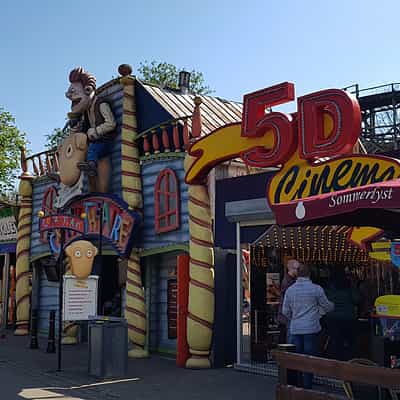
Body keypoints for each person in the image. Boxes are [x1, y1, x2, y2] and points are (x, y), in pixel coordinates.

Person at [283, 263, 334, 389]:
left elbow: (285, 311)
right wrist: (319, 313)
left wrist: (294, 318)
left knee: (297, 358)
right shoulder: (316, 289)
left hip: (296, 328)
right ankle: (307, 386)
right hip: (311, 327)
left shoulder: (290, 290)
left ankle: (298, 386)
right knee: (309, 358)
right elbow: (327, 306)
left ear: (297, 274)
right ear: (310, 274)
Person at [325, 267, 360, 361]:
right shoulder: (349, 287)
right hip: (348, 317)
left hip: (332, 317)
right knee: (350, 341)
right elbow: (357, 299)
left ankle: (336, 361)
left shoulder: (329, 288)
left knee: (335, 341)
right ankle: (349, 360)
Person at [277, 259, 300, 343]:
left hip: (290, 314)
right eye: (297, 268)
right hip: (289, 315)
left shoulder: (291, 280)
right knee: (290, 338)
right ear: (291, 269)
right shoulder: (287, 281)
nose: (298, 271)